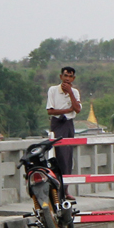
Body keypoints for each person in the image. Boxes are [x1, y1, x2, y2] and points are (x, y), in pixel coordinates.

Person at [46, 66, 82, 200]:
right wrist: (67, 110)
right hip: (57, 124)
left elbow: (77, 109)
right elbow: (50, 110)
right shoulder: (53, 90)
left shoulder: (75, 92)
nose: (67, 78)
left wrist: (70, 93)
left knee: (67, 157)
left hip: (68, 125)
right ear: (61, 76)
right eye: (65, 76)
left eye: (70, 76)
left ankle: (65, 189)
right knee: (58, 155)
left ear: (73, 79)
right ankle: (56, 189)